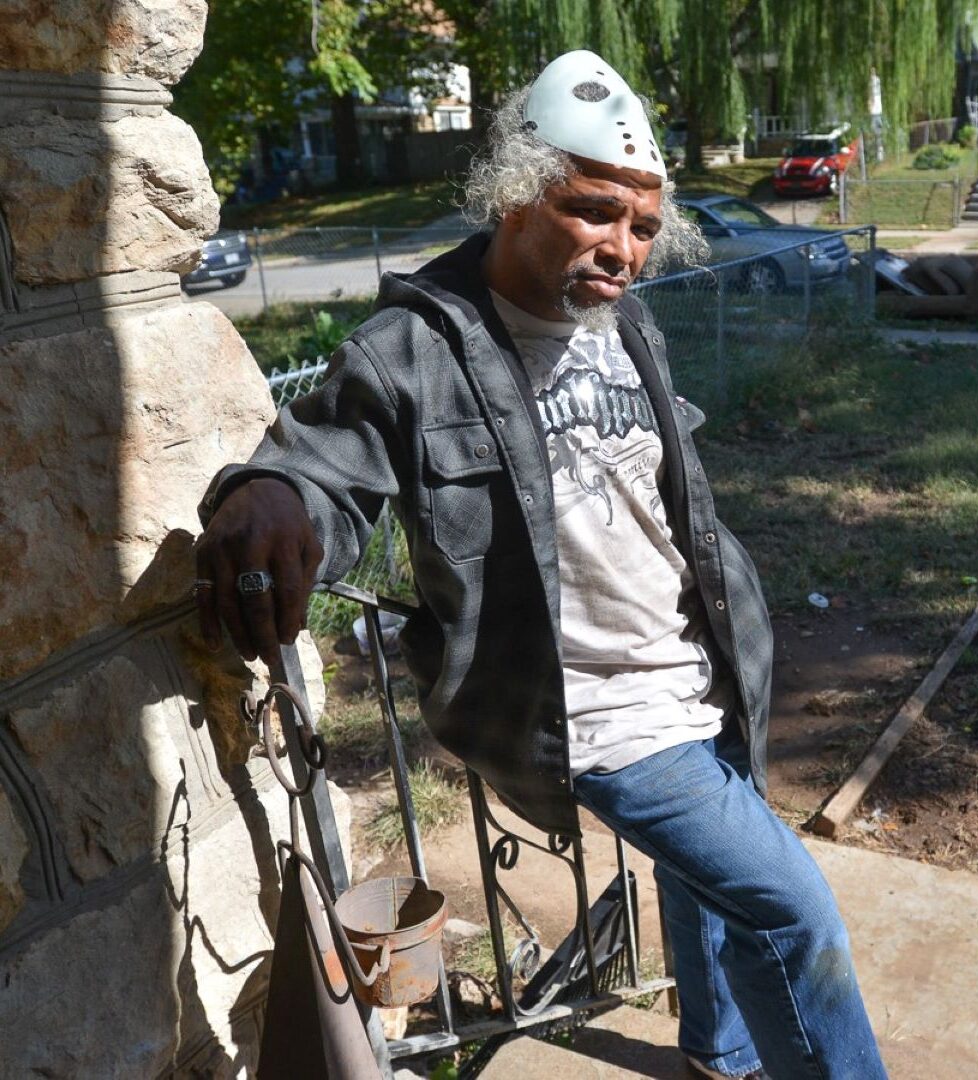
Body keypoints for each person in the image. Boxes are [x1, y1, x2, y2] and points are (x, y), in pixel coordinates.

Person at [195, 50, 886, 1080]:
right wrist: (268, 495)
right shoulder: (409, 351)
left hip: (706, 661)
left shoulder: (625, 320)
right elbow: (324, 471)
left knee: (711, 884)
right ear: (516, 194)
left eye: (642, 228)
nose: (622, 249)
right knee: (793, 911)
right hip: (596, 713)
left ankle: (720, 1052)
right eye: (595, 212)